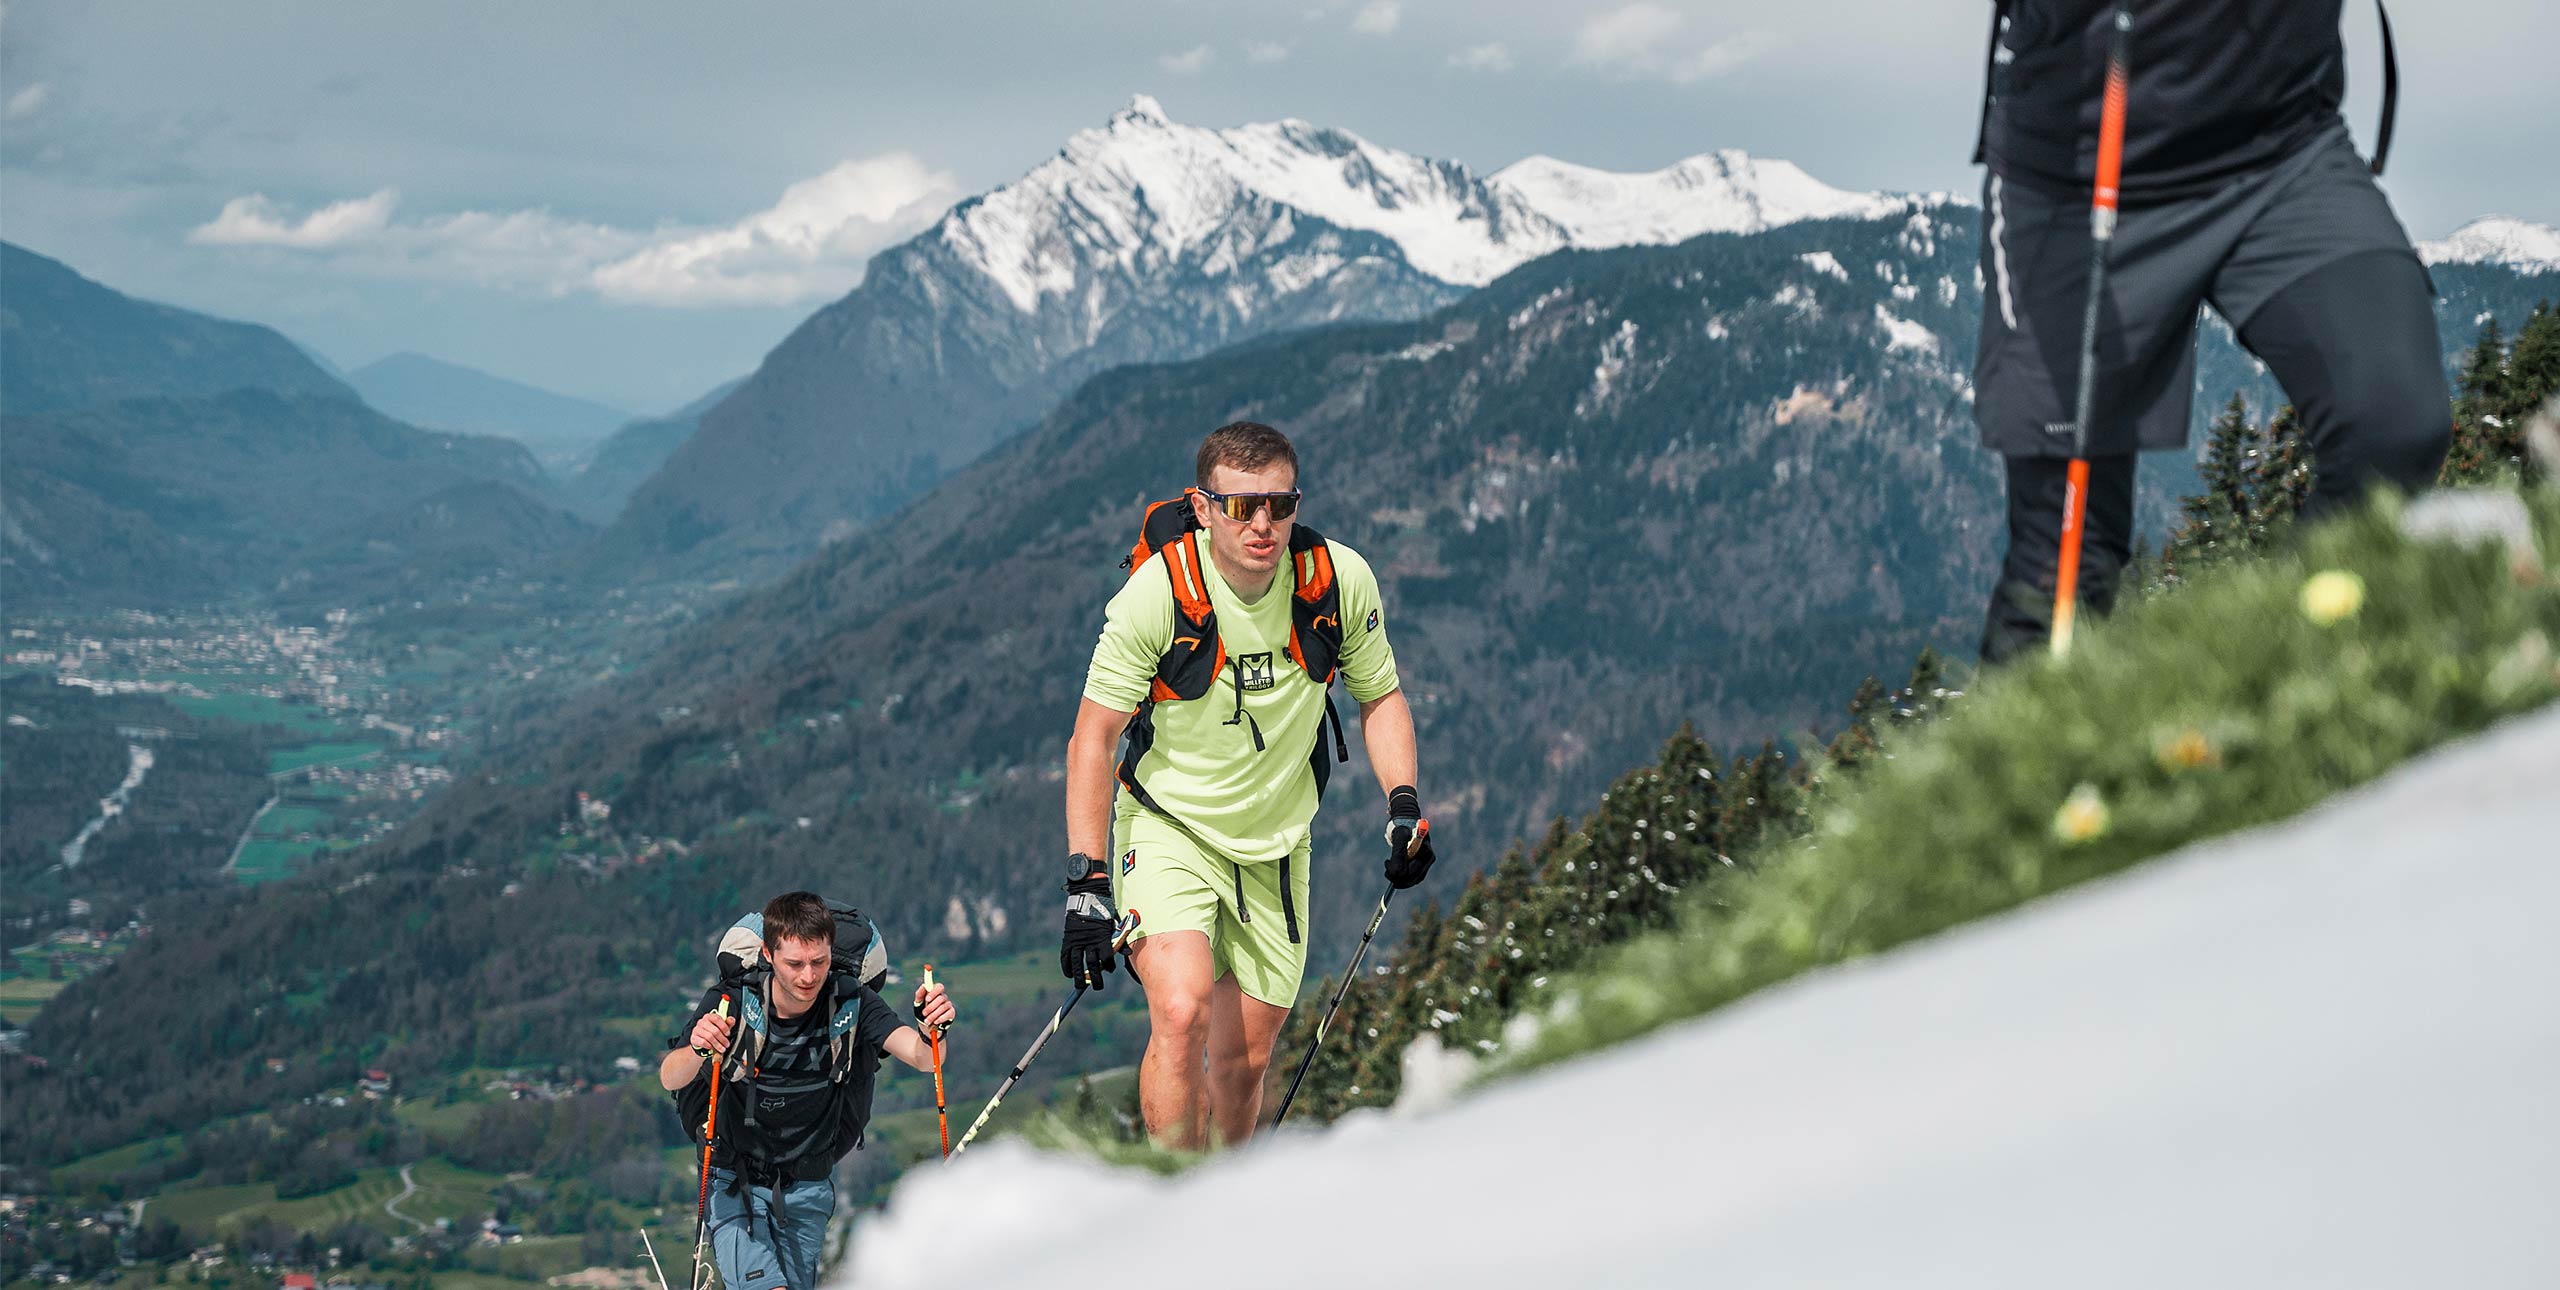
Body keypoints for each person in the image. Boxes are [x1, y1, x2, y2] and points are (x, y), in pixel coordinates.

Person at [1971, 0, 2450, 662]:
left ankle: (2267, 682)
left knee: (2393, 429)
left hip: (2283, 154)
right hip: (2079, 177)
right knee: (2062, 558)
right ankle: (2025, 764)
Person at [1058, 421, 1435, 1149]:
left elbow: (1380, 696)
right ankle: (1174, 1205)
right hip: (1168, 828)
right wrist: (1086, 879)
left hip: (1276, 843)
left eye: (1281, 505)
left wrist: (1403, 802)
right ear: (1203, 508)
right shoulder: (1158, 596)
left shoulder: (1336, 580)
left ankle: (1228, 1199)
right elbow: (1093, 738)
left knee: (1243, 1062)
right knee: (1179, 1010)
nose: (1264, 525)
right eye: (1241, 507)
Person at [659, 891, 955, 1290]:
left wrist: (931, 1029)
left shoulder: (851, 1001)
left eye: (819, 961)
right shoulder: (732, 1001)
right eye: (794, 963)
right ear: (768, 953)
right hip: (732, 1177)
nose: (808, 976)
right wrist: (698, 1047)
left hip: (807, 1185)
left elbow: (923, 1057)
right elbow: (670, 1077)